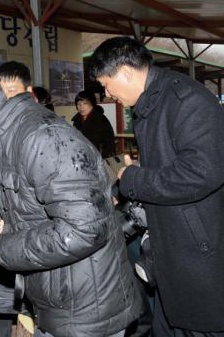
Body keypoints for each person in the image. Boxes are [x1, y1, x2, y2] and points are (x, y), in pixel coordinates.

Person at [0, 62, 144, 337]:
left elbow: (83, 230)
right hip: (59, 298)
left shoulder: (41, 137)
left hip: (86, 310)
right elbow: (12, 208)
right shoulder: (10, 138)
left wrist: (0, 249)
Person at [90, 36, 224, 336]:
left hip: (198, 256)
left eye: (107, 85)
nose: (107, 94)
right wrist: (122, 187)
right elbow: (167, 163)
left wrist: (134, 180)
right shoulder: (153, 102)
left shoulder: (186, 101)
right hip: (171, 255)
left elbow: (202, 172)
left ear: (125, 72)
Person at [71, 90, 116, 158]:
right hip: (81, 157)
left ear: (92, 103)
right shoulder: (77, 120)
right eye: (78, 104)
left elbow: (109, 144)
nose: (81, 107)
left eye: (85, 103)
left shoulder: (101, 119)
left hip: (99, 158)